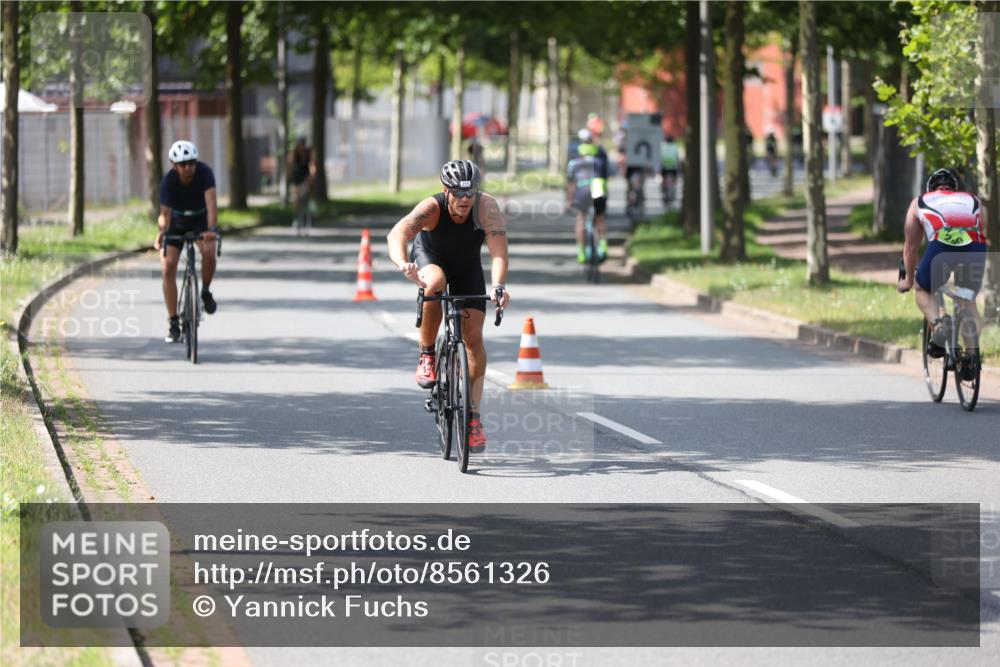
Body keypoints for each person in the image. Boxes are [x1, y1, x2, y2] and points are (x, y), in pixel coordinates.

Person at [386, 160, 510, 453]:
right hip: (431, 260)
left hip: (467, 268)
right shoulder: (432, 208)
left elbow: (499, 253)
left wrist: (500, 286)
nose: (465, 199)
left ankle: (473, 418)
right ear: (446, 190)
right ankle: (427, 353)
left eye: (470, 193)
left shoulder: (487, 208)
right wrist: (403, 262)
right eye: (458, 193)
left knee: (474, 339)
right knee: (436, 282)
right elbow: (397, 233)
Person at [897, 168, 989, 358]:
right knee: (967, 300)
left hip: (942, 245)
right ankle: (971, 359)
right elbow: (981, 227)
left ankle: (939, 326)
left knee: (922, 289)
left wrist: (907, 281)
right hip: (975, 246)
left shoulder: (920, 201)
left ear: (930, 189)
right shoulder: (973, 199)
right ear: (955, 189)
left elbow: (910, 248)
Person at [155, 140, 219, 343]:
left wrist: (211, 230)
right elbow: (164, 214)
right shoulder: (169, 181)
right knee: (167, 266)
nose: (188, 168)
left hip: (200, 220)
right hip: (177, 222)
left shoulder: (205, 173)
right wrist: (161, 232)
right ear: (174, 165)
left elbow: (211, 204)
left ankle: (205, 291)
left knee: (209, 251)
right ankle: (174, 322)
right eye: (183, 164)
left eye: (191, 163)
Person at [566, 128, 609, 264]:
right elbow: (605, 179)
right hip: (597, 188)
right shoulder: (599, 161)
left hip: (582, 190)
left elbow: (571, 185)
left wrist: (570, 200)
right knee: (600, 218)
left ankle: (582, 252)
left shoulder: (574, 163)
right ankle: (603, 247)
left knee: (581, 219)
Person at [287, 137, 316, 234]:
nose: (301, 147)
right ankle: (296, 218)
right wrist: (288, 177)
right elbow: (290, 165)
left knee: (305, 199)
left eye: (302, 145)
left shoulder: (308, 152)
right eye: (299, 145)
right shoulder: (293, 153)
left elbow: (312, 165)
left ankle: (306, 217)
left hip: (305, 178)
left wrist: (312, 175)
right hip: (296, 179)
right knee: (296, 199)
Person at [659, 134, 681, 204]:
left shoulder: (663, 147)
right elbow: (677, 158)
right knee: (674, 179)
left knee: (664, 178)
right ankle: (673, 189)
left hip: (664, 167)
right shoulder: (675, 147)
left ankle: (663, 189)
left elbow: (660, 157)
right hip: (673, 167)